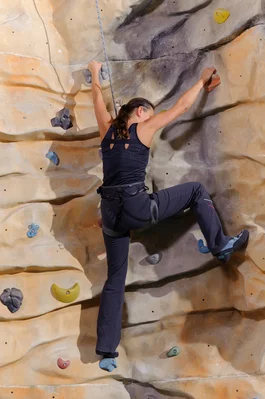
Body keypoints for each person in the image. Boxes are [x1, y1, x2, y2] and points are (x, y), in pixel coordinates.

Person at [87, 60, 249, 372]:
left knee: (114, 280)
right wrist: (201, 81)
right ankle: (220, 245)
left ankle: (106, 351)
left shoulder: (106, 132)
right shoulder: (142, 127)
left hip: (110, 216)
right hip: (136, 208)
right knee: (196, 191)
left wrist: (95, 73)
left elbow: (96, 99)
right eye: (149, 111)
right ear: (139, 112)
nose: (152, 116)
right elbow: (181, 107)